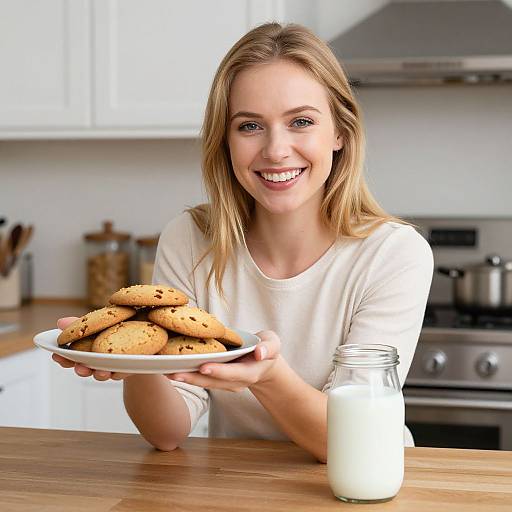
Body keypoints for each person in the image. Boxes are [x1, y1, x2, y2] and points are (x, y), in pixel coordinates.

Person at [53, 22, 433, 463]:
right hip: (233, 487)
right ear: (226, 141)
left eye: (302, 122)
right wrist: (140, 363)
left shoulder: (394, 255)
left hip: (361, 485)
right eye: (250, 125)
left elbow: (352, 441)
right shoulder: (191, 240)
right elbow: (167, 433)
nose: (275, 150)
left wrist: (266, 376)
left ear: (340, 132)